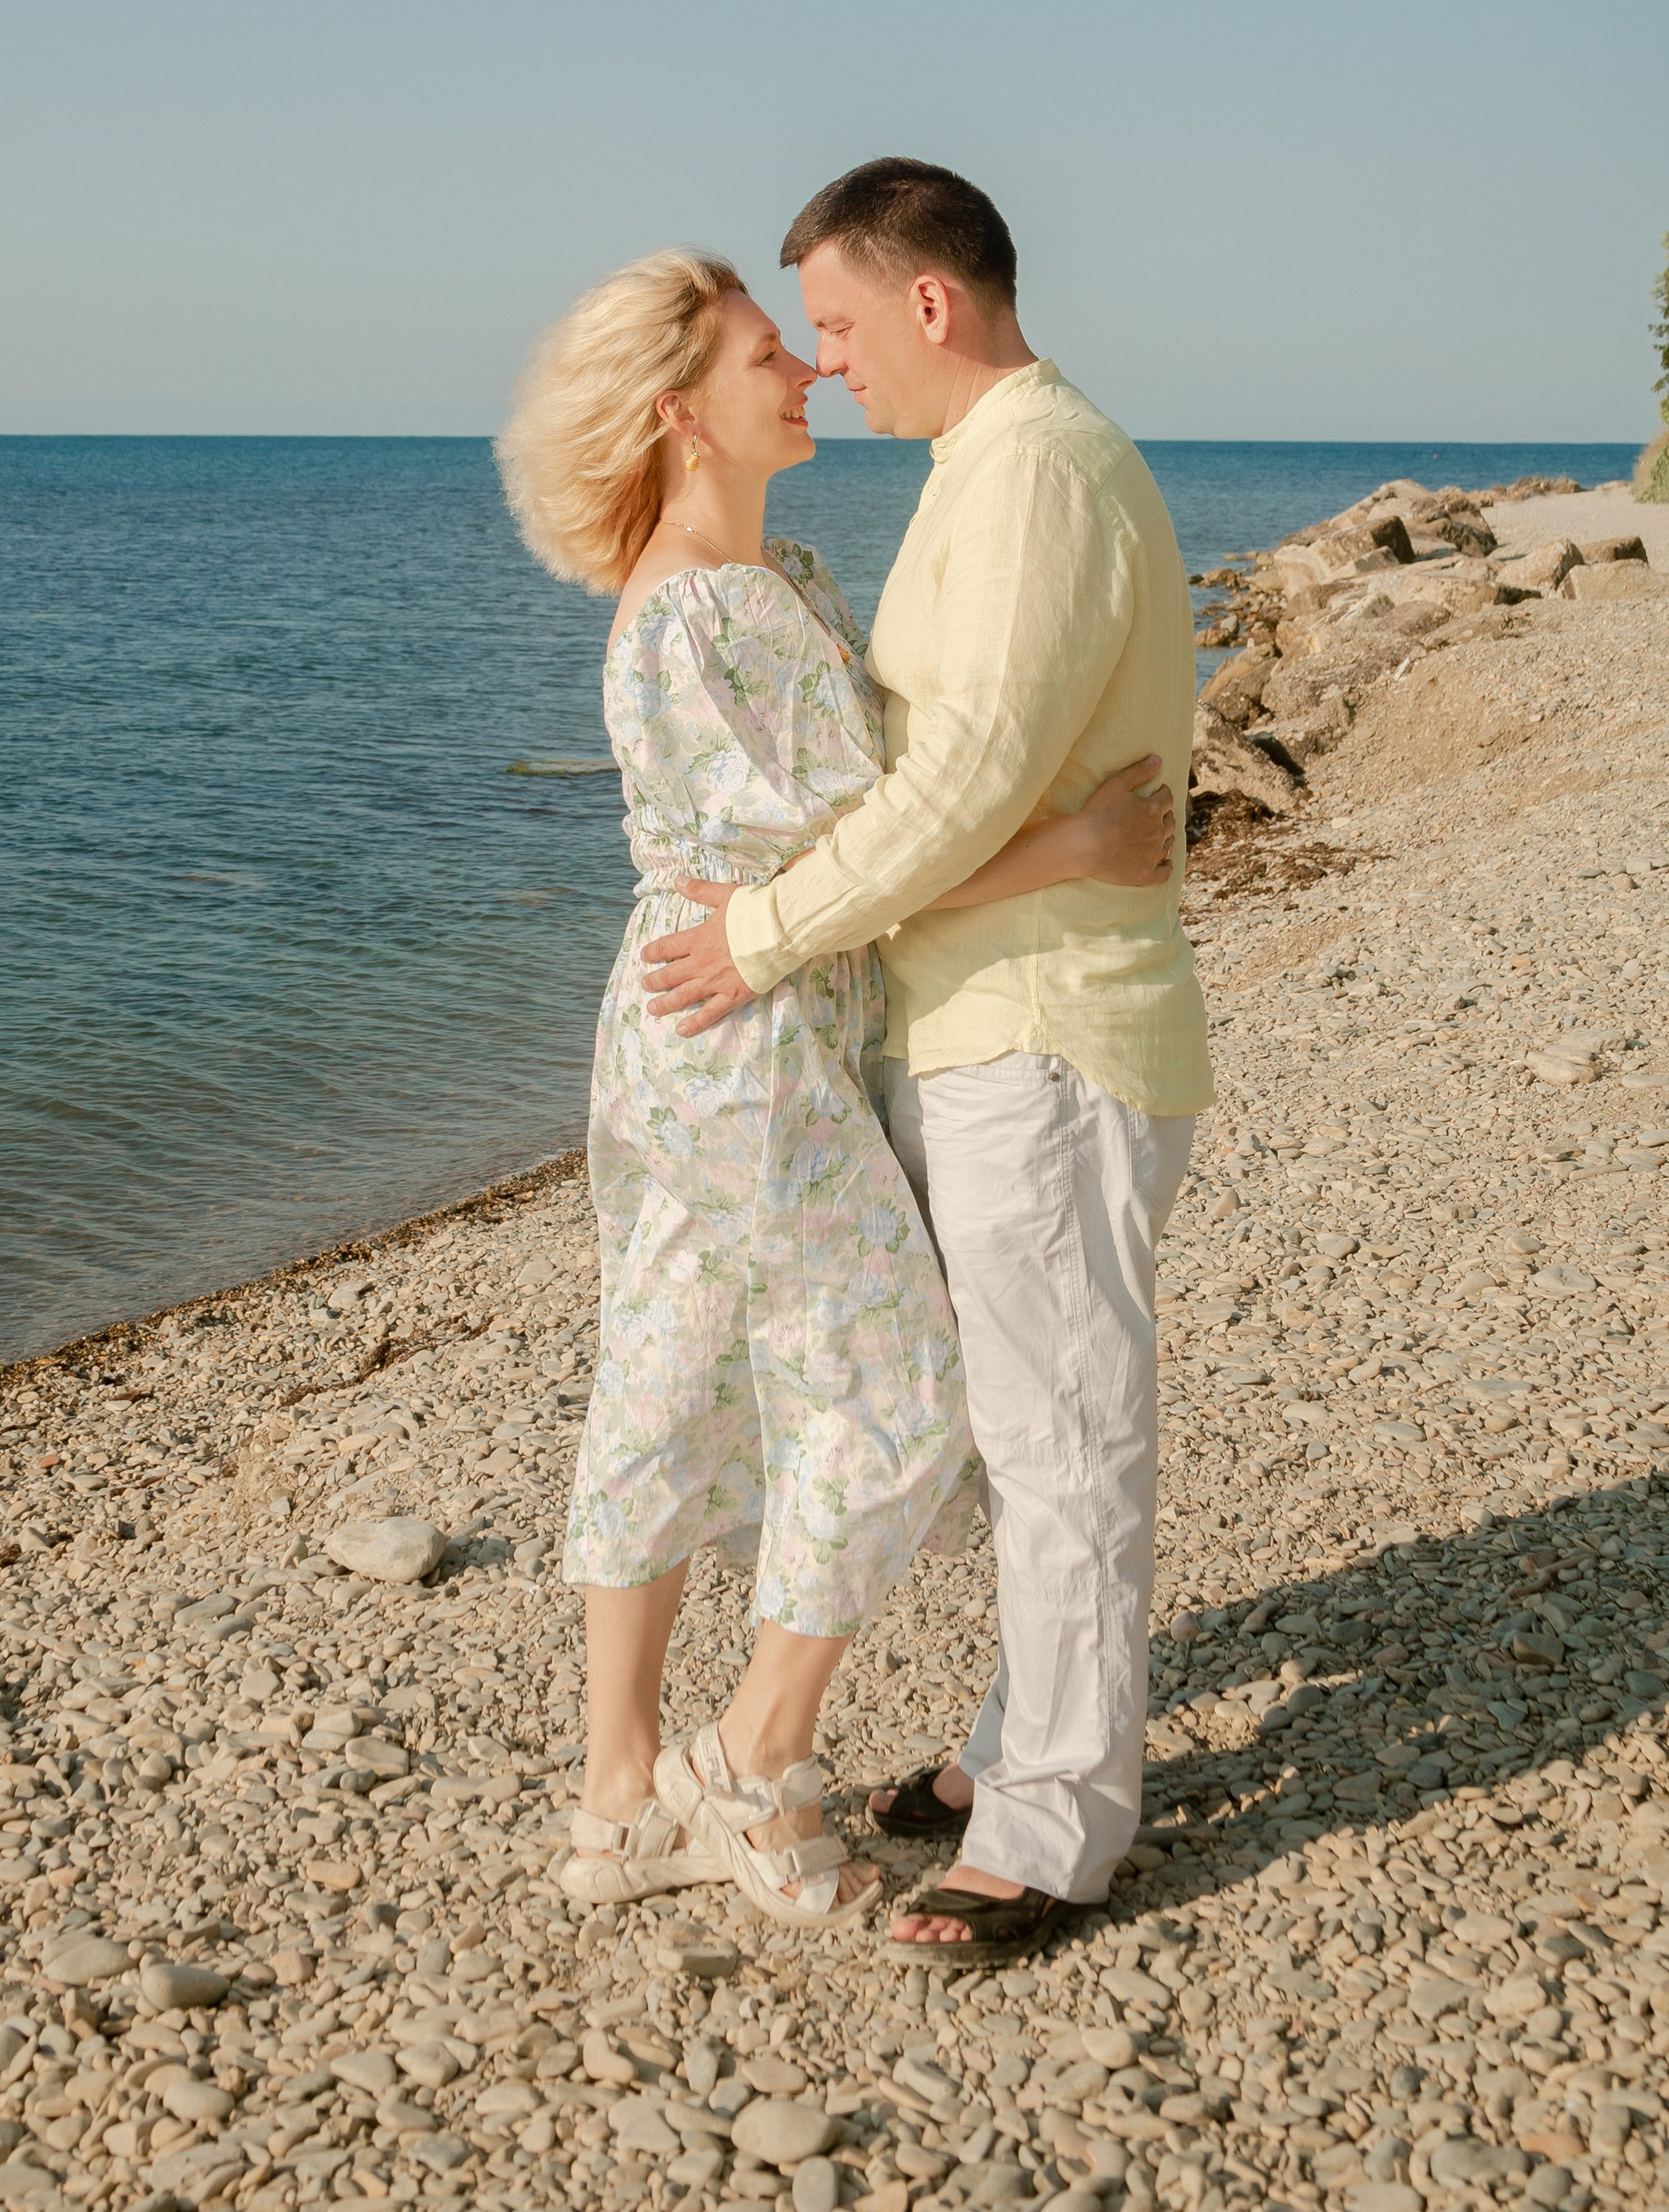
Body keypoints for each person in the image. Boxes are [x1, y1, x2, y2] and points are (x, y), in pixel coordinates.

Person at [495, 247, 1178, 1931]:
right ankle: (751, 1761)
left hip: (697, 1034)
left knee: (663, 1369)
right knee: (889, 1393)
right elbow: (844, 869)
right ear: (678, 415)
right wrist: (1073, 847)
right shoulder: (713, 611)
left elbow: (830, 856)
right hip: (756, 1041)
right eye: (758, 357)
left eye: (806, 342)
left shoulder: (750, 580)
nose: (801, 368)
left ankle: (612, 1796)